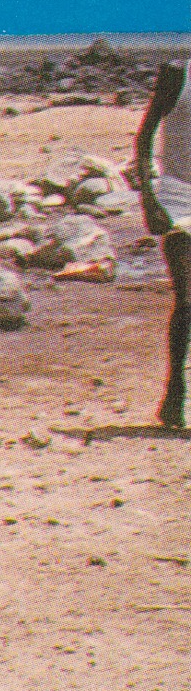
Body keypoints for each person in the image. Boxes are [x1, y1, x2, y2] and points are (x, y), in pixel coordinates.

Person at [135, 61, 191, 427]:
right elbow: (145, 137)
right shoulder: (178, 74)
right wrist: (149, 198)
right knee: (186, 299)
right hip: (179, 197)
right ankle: (176, 385)